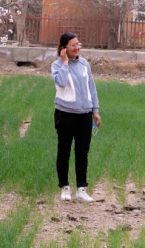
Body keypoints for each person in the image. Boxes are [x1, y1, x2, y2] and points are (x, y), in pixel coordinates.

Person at [52, 32, 101, 203]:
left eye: (78, 44)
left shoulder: (84, 64)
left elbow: (91, 87)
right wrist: (65, 62)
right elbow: (61, 82)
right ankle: (64, 187)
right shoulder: (57, 65)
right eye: (72, 45)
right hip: (65, 114)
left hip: (85, 114)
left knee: (82, 153)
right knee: (63, 151)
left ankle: (81, 189)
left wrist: (95, 110)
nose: (77, 47)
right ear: (64, 48)